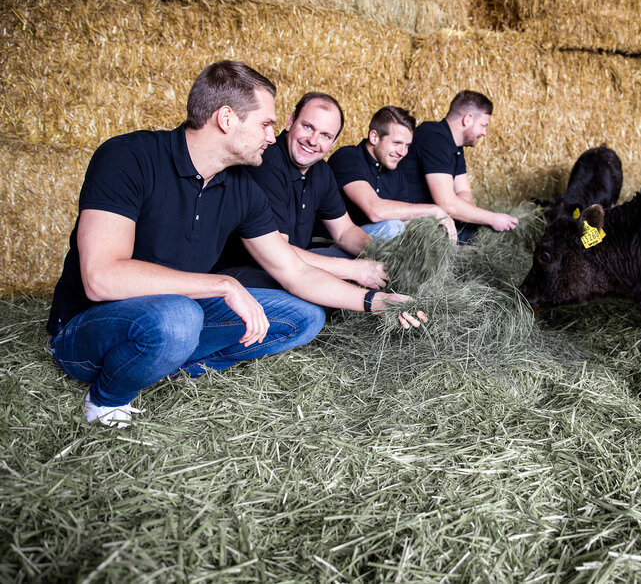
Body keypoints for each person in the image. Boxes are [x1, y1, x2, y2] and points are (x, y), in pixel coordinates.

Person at [45, 61, 425, 429]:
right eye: (265, 124)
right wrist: (224, 285)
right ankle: (106, 400)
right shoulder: (129, 157)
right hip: (88, 327)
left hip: (181, 313)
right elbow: (101, 278)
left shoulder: (240, 186)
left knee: (305, 318)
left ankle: (162, 363)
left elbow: (292, 270)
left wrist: (375, 302)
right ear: (227, 119)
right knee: (179, 317)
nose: (270, 137)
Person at [214, 92, 391, 290]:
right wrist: (353, 270)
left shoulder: (321, 171)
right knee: (319, 299)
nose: (313, 141)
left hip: (294, 262)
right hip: (246, 269)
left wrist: (383, 253)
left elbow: (344, 231)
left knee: (364, 261)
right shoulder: (266, 163)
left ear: (333, 143)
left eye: (325, 135)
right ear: (290, 121)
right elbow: (279, 252)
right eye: (308, 127)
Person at [398, 90, 518, 242]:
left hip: (436, 221)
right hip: (412, 223)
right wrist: (493, 218)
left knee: (480, 236)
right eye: (483, 125)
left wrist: (459, 212)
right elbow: (447, 203)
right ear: (468, 119)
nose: (484, 133)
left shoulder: (456, 147)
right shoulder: (433, 136)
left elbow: (464, 192)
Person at [328, 105, 456, 241]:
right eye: (397, 143)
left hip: (371, 248)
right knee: (393, 227)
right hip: (336, 243)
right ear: (374, 137)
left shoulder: (397, 174)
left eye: (407, 145)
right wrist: (433, 210)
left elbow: (405, 221)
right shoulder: (347, 157)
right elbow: (375, 210)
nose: (403, 152)